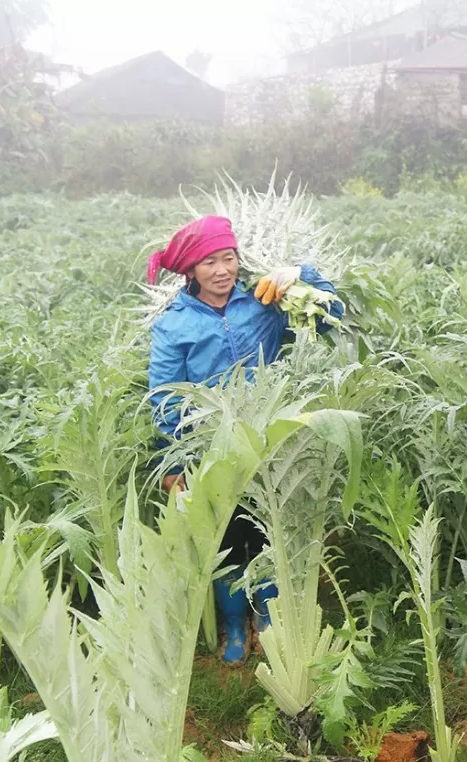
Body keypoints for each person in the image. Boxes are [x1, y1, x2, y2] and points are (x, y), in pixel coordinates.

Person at [147, 215, 344, 664]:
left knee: (271, 528)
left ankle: (270, 615)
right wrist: (172, 463)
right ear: (191, 272)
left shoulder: (264, 302)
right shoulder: (173, 326)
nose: (222, 270)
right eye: (210, 262)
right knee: (229, 538)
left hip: (271, 441)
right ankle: (235, 625)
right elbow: (164, 398)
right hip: (210, 450)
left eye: (229, 258)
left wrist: (301, 276)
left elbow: (331, 315)